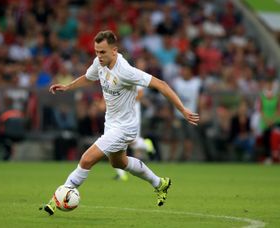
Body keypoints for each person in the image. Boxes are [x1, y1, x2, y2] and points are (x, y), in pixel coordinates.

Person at [40, 30, 199, 215]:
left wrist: (182, 110)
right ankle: (160, 183)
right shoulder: (99, 63)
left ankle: (56, 199)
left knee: (86, 159)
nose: (98, 56)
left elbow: (161, 84)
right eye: (96, 51)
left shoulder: (126, 71)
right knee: (119, 163)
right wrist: (68, 86)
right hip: (111, 123)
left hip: (125, 127)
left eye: (103, 52)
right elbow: (88, 77)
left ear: (114, 51)